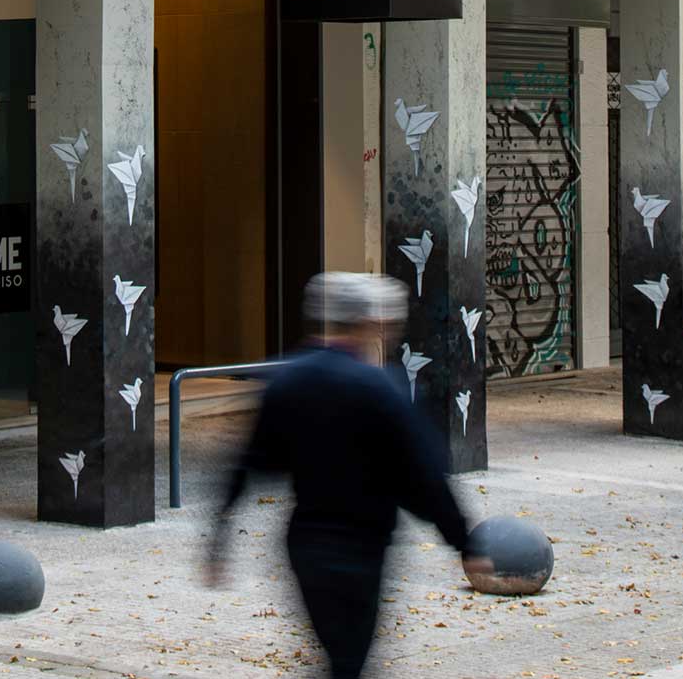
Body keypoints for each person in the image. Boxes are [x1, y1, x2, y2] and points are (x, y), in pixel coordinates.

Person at [204, 272, 489, 679]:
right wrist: (463, 541)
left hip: (306, 547)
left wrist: (218, 541)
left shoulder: (287, 380)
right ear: (368, 324)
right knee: (348, 662)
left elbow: (250, 465)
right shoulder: (380, 389)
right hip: (361, 550)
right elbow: (423, 479)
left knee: (339, 657)